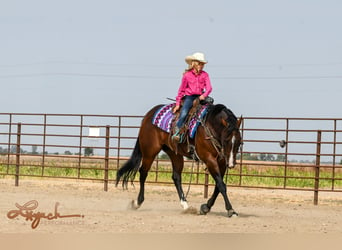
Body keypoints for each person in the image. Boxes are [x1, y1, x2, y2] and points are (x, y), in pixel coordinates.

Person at [172, 52, 212, 140]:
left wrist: (204, 95)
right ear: (194, 64)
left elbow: (209, 88)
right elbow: (181, 90)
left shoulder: (205, 75)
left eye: (202, 64)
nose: (201, 66)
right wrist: (178, 103)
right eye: (199, 64)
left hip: (201, 97)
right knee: (184, 112)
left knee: (211, 111)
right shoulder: (187, 75)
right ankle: (177, 130)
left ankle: (210, 132)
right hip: (190, 97)